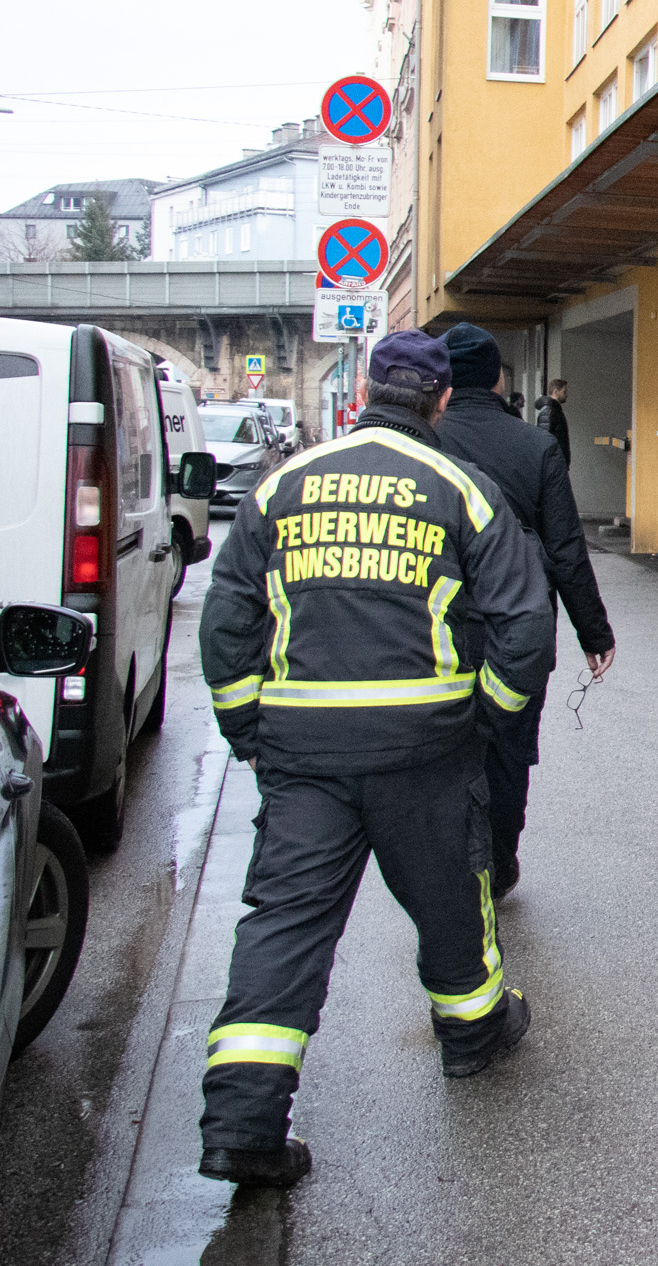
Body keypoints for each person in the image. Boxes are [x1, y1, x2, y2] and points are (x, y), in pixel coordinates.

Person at [196, 328, 555, 1188]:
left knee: (284, 925)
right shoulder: (460, 489)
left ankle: (243, 1124)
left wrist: (250, 728)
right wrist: (491, 719)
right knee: (451, 898)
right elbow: (525, 622)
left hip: (304, 752)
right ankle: (471, 1034)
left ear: (362, 386)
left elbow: (227, 624)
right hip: (425, 745)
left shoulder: (283, 485)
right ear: (438, 401)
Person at [436, 323, 617, 897]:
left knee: (438, 745)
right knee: (509, 748)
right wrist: (595, 632)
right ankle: (498, 860)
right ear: (497, 379)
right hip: (518, 626)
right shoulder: (533, 446)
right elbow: (566, 552)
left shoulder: (425, 442)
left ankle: (445, 867)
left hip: (435, 625)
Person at [535, 378, 572, 467]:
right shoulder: (550, 411)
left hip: (556, 462)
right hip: (554, 464)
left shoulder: (554, 410)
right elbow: (544, 440)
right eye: (564, 391)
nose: (566, 395)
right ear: (556, 392)